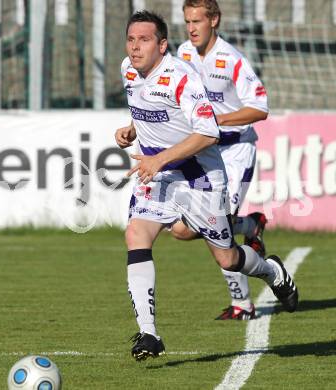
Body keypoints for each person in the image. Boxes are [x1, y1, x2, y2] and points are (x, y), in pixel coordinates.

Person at [116, 10, 298, 361]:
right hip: (159, 173)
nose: (135, 47)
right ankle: (149, 334)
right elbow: (149, 110)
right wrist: (130, 131)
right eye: (131, 39)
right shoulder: (128, 69)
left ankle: (271, 269)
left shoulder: (181, 77)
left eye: (144, 40)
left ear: (162, 45)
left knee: (228, 259)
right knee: (136, 234)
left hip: (199, 176)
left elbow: (207, 132)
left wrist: (160, 159)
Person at [171, 0, 269, 320]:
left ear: (214, 20)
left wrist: (218, 119)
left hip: (236, 149)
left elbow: (259, 107)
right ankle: (251, 225)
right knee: (181, 230)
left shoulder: (231, 59)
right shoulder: (182, 54)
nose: (191, 28)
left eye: (197, 21)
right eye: (187, 21)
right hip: (207, 150)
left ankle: (242, 304)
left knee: (221, 225)